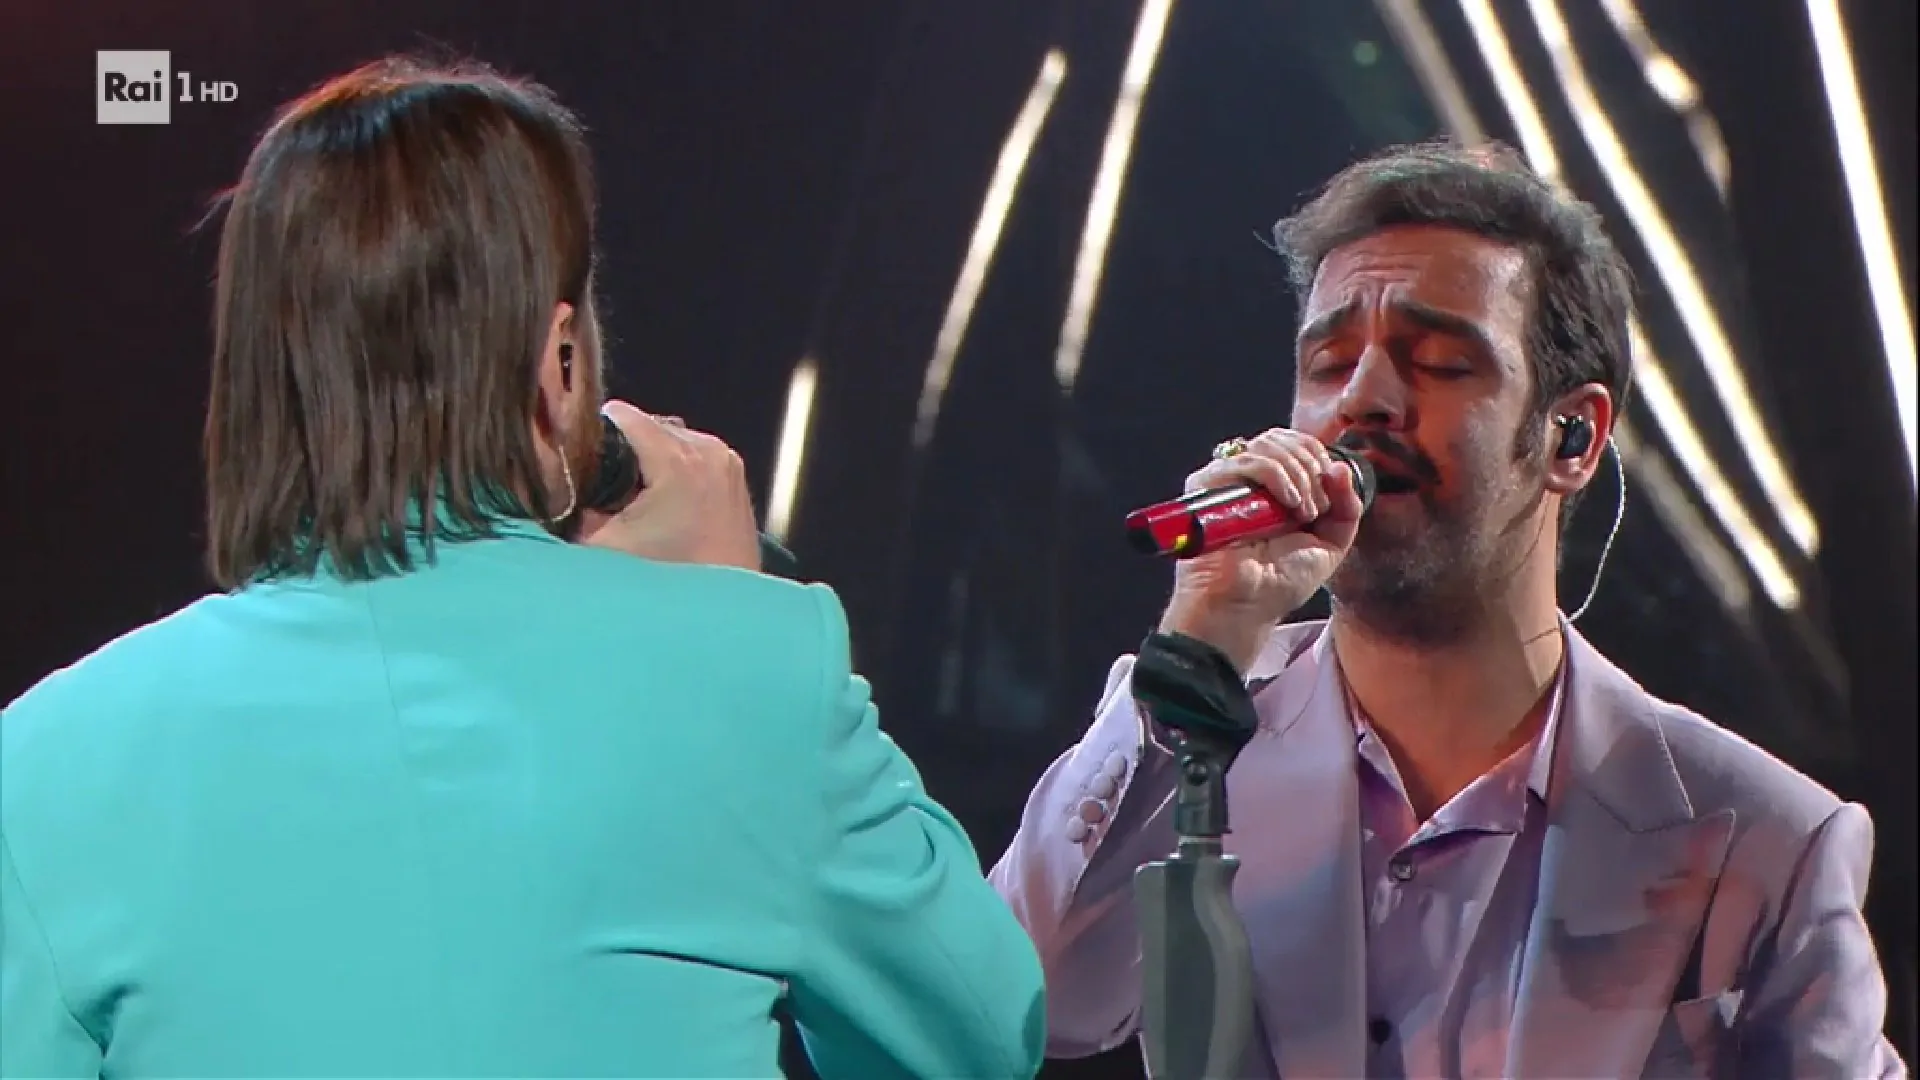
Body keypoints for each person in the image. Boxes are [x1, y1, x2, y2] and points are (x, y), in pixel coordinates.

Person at [0, 56, 1044, 1080]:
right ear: (559, 366)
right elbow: (976, 1040)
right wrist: (734, 613)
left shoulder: (45, 758)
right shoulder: (753, 671)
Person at [991, 140, 1905, 1079]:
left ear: (1573, 437)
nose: (1364, 400)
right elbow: (1023, 1005)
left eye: (1438, 361)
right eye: (1329, 363)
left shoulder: (1762, 836)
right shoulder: (1191, 733)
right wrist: (1205, 635)